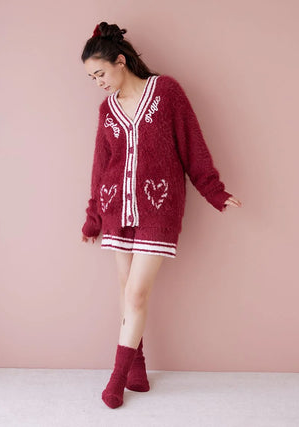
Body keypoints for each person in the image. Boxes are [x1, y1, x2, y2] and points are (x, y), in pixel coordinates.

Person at [80, 21, 242, 409]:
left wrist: (214, 190)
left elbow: (192, 144)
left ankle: (117, 379)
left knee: (137, 292)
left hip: (159, 204)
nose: (98, 82)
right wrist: (93, 215)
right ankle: (138, 369)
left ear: (121, 61)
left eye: (100, 73)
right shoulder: (108, 109)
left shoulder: (166, 92)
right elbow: (101, 164)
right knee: (125, 291)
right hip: (116, 207)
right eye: (92, 77)